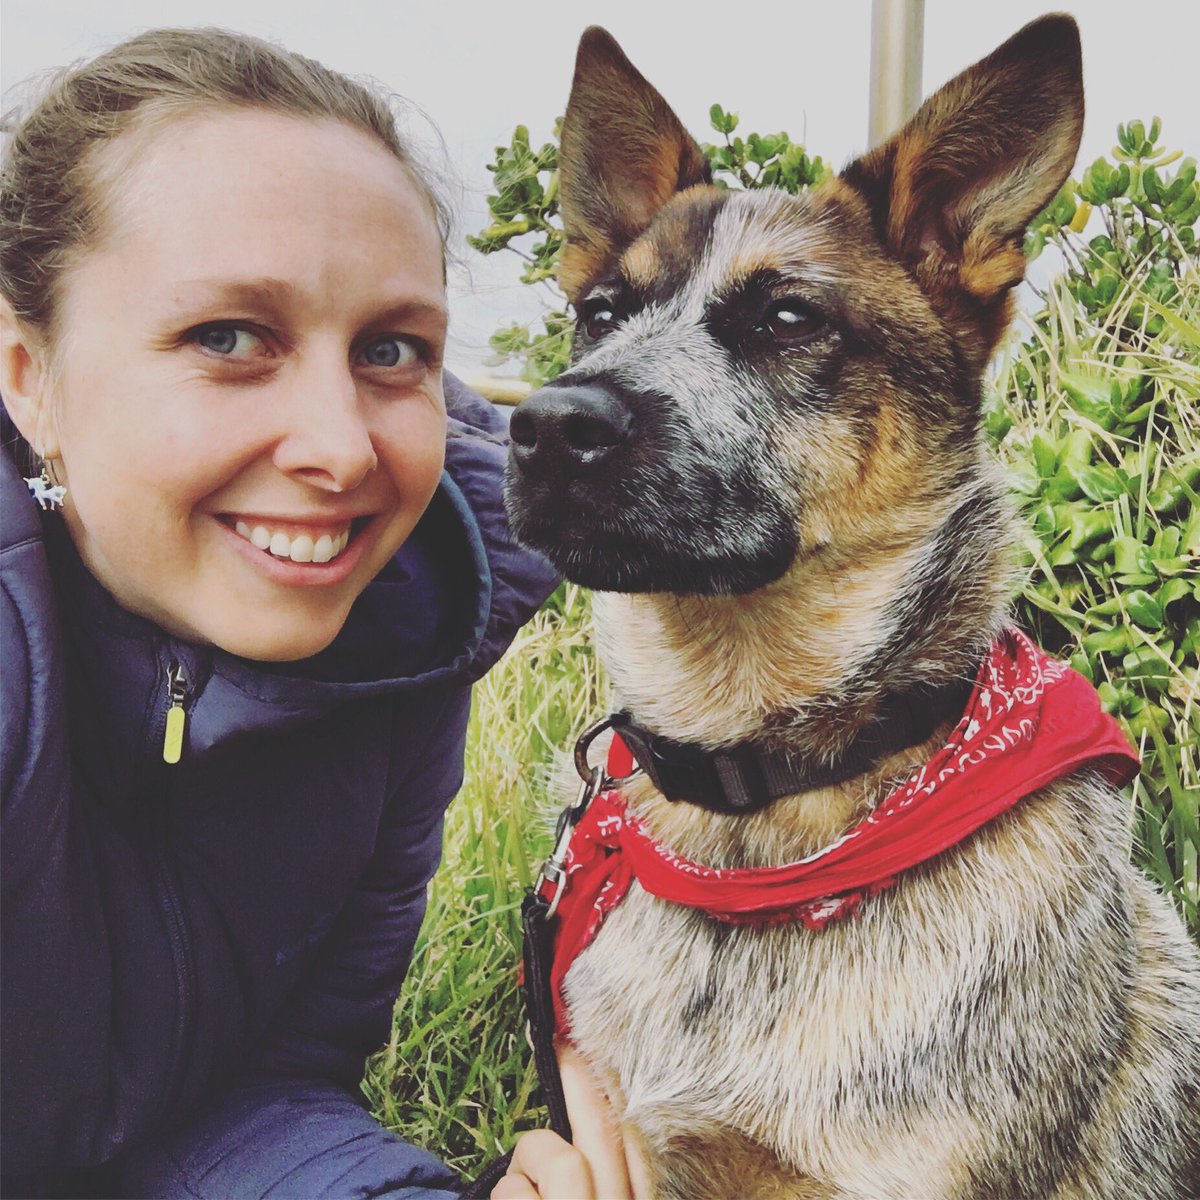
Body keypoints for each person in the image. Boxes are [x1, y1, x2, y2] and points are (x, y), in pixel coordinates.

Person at [0, 27, 561, 1198]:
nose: (342, 448)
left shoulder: (403, 638)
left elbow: (267, 1080)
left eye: (391, 350)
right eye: (227, 338)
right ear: (26, 376)